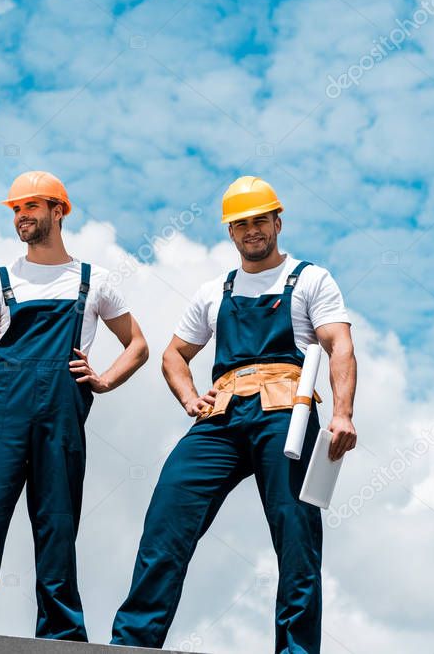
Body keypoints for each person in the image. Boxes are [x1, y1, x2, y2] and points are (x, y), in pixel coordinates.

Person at [110, 176, 357, 653]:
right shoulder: (214, 291)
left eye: (260, 220)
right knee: (167, 518)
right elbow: (172, 355)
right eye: (241, 224)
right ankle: (132, 645)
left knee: (296, 536)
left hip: (286, 411)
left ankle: (296, 651)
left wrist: (342, 413)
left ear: (277, 222)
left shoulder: (309, 279)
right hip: (220, 417)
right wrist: (188, 398)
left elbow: (338, 344)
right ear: (230, 232)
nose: (252, 231)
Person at [0, 170, 149, 641]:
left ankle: (61, 633)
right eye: (15, 210)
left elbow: (138, 345)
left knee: (57, 522)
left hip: (62, 418)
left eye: (30, 207)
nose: (21, 217)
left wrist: (103, 380)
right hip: (0, 415)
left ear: (58, 211)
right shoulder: (0, 280)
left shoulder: (94, 282)